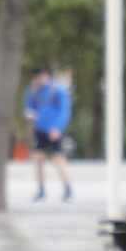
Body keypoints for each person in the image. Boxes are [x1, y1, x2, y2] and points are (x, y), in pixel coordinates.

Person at [23, 68, 74, 202]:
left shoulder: (57, 90)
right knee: (38, 158)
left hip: (54, 129)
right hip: (39, 128)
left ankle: (67, 187)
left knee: (58, 157)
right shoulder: (33, 91)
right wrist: (29, 114)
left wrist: (57, 128)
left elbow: (64, 111)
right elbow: (29, 107)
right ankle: (41, 189)